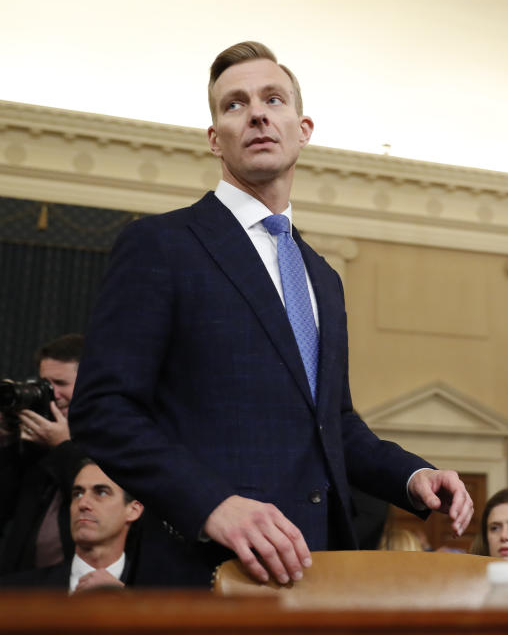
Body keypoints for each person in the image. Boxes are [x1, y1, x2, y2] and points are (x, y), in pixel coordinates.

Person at [69, 41, 472, 587]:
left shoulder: (322, 277)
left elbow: (333, 423)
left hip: (321, 572)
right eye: (234, 104)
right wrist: (211, 505)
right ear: (216, 139)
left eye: (273, 99)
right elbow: (103, 410)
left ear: (302, 128)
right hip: (206, 572)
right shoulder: (160, 245)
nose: (257, 112)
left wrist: (412, 475)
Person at [0, 334, 87, 575]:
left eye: (60, 383)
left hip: (71, 585)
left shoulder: (114, 440)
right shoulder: (35, 442)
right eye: (44, 384)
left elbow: (94, 502)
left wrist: (62, 446)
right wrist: (6, 438)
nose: (51, 393)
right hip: (18, 581)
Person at [0, 459, 143, 592]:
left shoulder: (157, 592)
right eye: (78, 494)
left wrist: (125, 597)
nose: (82, 504)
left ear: (133, 510)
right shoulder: (14, 592)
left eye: (101, 492)